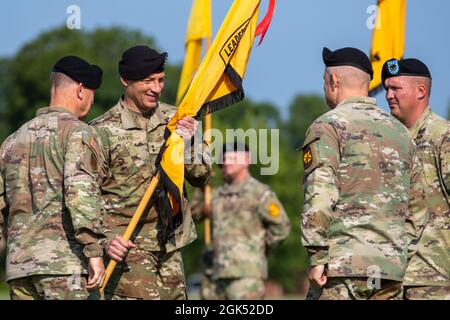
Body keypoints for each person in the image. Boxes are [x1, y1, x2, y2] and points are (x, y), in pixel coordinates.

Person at [300, 47, 428, 300]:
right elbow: (419, 207)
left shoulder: (329, 125)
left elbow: (319, 195)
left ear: (333, 81)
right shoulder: (401, 132)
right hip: (389, 272)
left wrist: (317, 256)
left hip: (341, 269)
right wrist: (397, 255)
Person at [89, 45, 211, 300]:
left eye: (161, 80)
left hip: (171, 246)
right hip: (127, 249)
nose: (156, 88)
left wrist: (189, 144)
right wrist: (105, 240)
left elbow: (202, 176)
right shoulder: (100, 131)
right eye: (148, 81)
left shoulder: (176, 119)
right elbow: (84, 196)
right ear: (125, 80)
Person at [0, 56, 107, 300]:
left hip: (19, 270)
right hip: (64, 267)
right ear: (81, 90)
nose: (92, 100)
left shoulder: (12, 141)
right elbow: (81, 194)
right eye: (92, 93)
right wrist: (94, 251)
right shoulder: (78, 133)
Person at [382, 58, 449, 299]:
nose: (389, 95)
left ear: (421, 91)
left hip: (433, 279)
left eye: (396, 88)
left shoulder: (442, 136)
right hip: (390, 279)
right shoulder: (389, 140)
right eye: (387, 88)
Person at [192, 142, 291, 300]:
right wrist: (203, 184)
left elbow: (281, 228)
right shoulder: (217, 195)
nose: (226, 160)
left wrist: (258, 249)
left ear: (246, 160)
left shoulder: (260, 193)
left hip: (246, 276)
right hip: (215, 275)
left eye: (232, 156)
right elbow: (195, 214)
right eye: (224, 158)